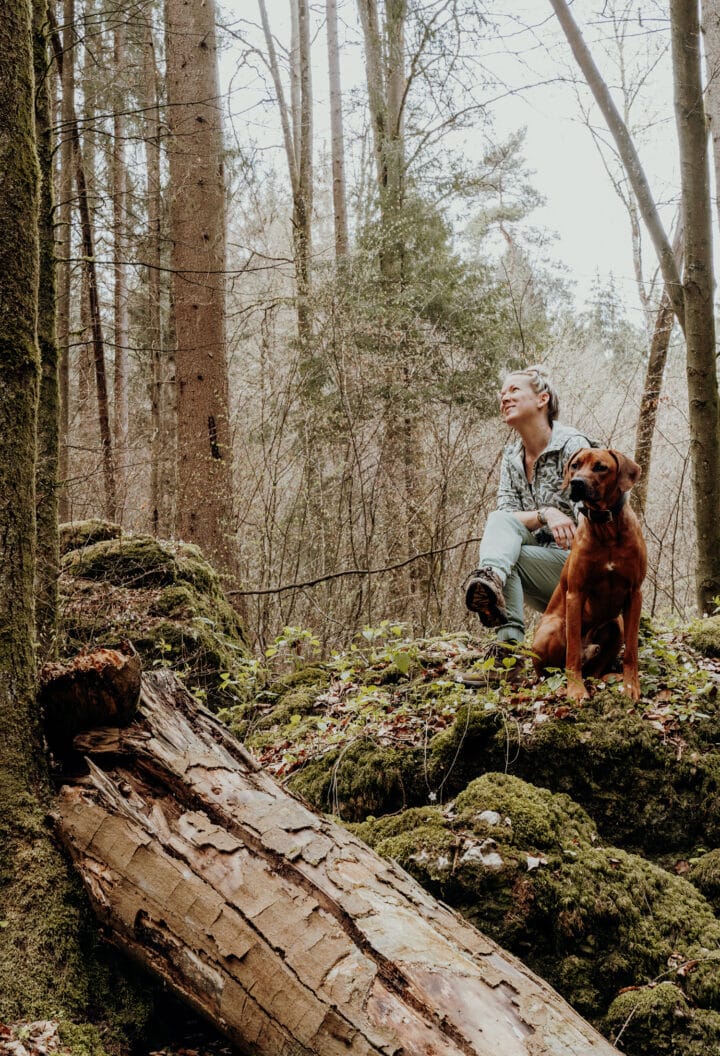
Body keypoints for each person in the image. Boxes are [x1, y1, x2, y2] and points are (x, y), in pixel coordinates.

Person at [463, 365, 595, 669]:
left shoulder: (574, 447)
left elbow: (593, 513)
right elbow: (508, 519)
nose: (504, 398)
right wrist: (545, 514)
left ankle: (508, 650)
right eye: (502, 394)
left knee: (510, 556)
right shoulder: (511, 458)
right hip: (545, 574)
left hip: (583, 572)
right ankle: (491, 585)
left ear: (542, 399)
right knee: (499, 526)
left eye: (513, 390)